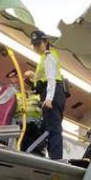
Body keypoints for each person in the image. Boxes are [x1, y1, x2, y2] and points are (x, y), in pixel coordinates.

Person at [31, 30, 66, 160]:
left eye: (38, 44)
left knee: (53, 127)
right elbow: (46, 78)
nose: (36, 47)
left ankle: (56, 159)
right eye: (34, 45)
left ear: (46, 42)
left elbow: (51, 78)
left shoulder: (49, 56)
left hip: (53, 92)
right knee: (49, 127)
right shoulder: (44, 57)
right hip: (52, 91)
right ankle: (53, 157)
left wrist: (49, 98)